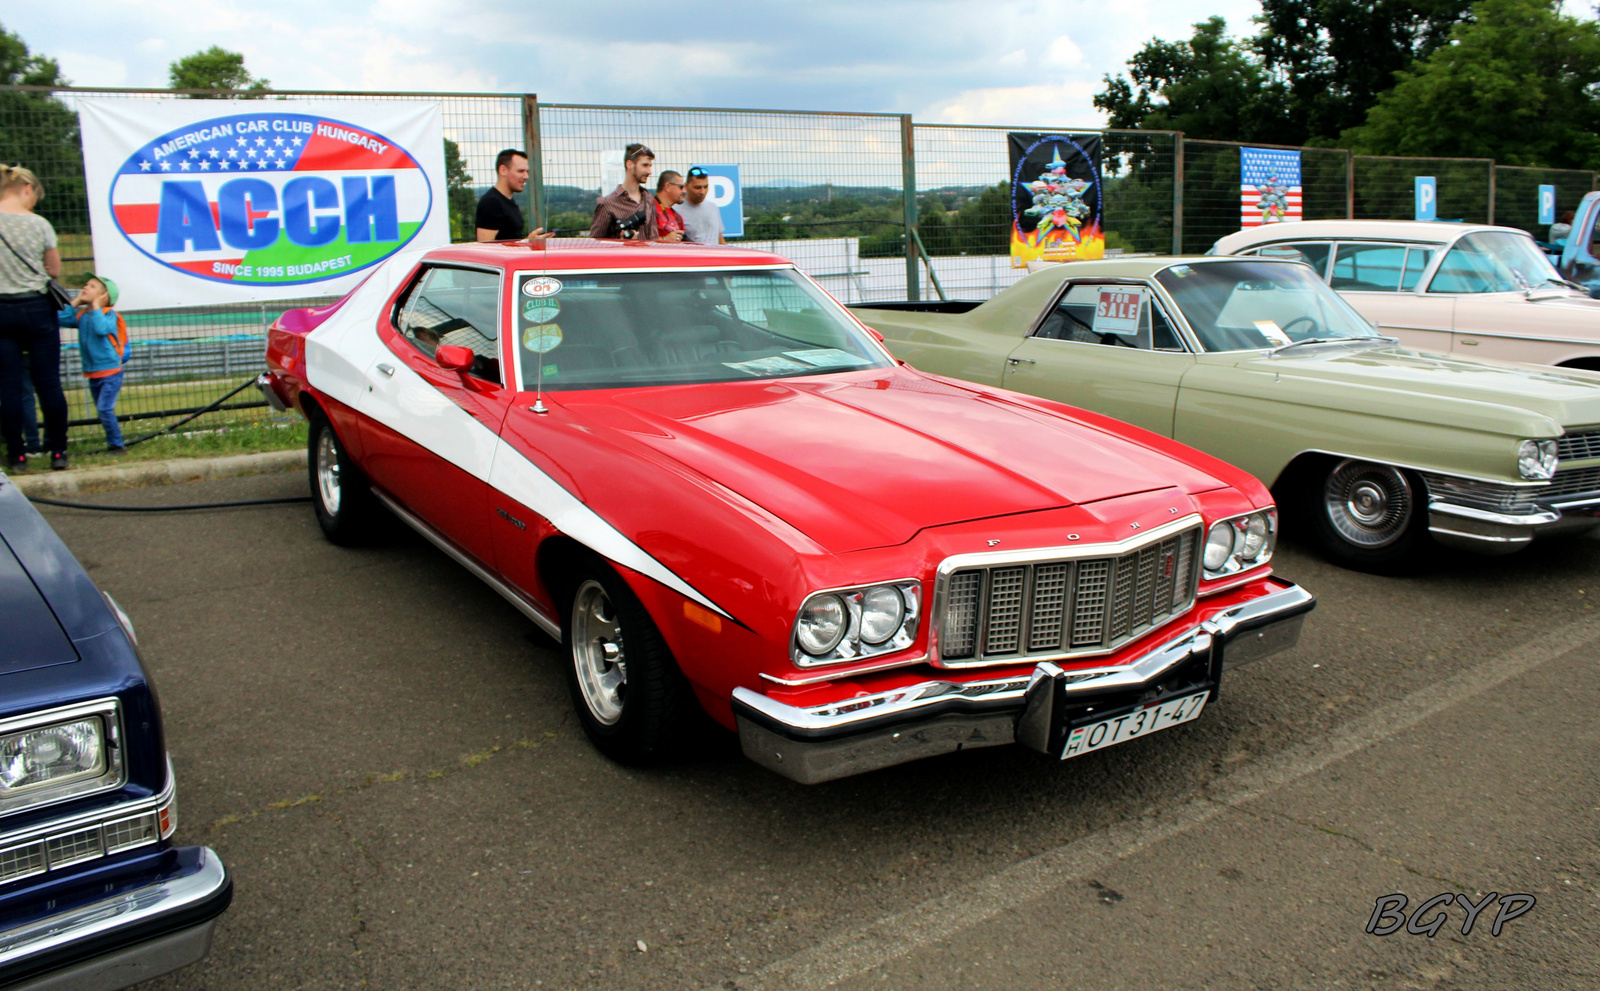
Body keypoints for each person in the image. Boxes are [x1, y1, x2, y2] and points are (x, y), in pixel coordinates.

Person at [0, 164, 69, 470]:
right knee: (49, 384)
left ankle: (16, 455)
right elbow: (53, 271)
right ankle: (58, 452)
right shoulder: (40, 224)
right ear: (27, 189)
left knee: (9, 386)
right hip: (38, 309)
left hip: (2, 310)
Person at [61, 274, 128, 453]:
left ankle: (117, 445)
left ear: (103, 297)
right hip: (93, 372)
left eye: (91, 287)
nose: (85, 288)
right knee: (102, 410)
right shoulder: (82, 315)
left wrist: (97, 307)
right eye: (86, 284)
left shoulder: (108, 315)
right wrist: (75, 302)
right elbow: (60, 318)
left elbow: (101, 329)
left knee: (105, 408)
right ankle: (113, 442)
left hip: (111, 371)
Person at [474, 149, 553, 243]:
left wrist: (528, 242)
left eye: (527, 171)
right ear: (503, 170)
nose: (526, 176)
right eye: (520, 171)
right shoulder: (491, 203)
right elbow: (485, 247)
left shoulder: (508, 201)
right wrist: (528, 242)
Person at [590, 143, 659, 241]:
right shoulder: (607, 204)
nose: (649, 171)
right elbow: (595, 244)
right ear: (629, 164)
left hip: (646, 255)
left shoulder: (648, 199)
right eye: (645, 165)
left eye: (650, 166)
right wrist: (622, 242)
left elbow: (653, 239)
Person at [675, 166, 727, 245]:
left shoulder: (713, 207)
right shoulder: (676, 210)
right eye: (697, 187)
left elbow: (720, 238)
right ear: (686, 186)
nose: (702, 192)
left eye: (705, 187)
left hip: (715, 255)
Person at [654, 171, 686, 242]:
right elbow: (640, 238)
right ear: (668, 187)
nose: (684, 191)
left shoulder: (678, 217)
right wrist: (664, 239)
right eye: (681, 187)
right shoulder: (649, 209)